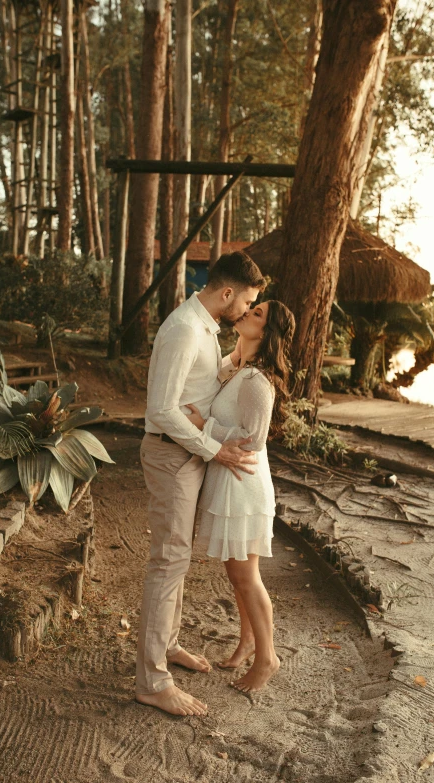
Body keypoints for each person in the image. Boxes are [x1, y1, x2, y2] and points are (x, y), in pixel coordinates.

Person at [135, 251, 266, 717]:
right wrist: (214, 449)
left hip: (188, 454)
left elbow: (196, 394)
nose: (247, 309)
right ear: (227, 293)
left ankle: (167, 646)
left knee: (178, 559)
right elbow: (161, 409)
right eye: (247, 300)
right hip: (172, 456)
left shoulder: (207, 326)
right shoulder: (186, 328)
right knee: (168, 561)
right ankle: (152, 680)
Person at [187, 299, 296, 693]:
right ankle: (249, 642)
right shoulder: (235, 370)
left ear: (267, 333)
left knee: (245, 576)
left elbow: (254, 439)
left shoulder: (257, 382)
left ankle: (268, 658)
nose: (248, 312)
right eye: (252, 308)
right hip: (228, 478)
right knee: (238, 576)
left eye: (258, 313)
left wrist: (205, 425)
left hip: (244, 484)